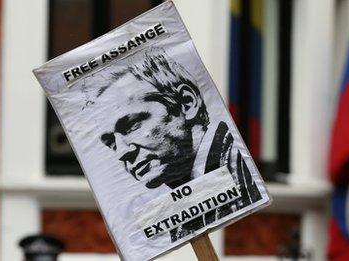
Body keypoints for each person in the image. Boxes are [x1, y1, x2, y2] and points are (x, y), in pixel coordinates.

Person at [86, 48, 262, 241]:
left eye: (131, 125)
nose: (121, 152)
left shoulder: (241, 177)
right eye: (111, 142)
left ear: (187, 103)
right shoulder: (179, 206)